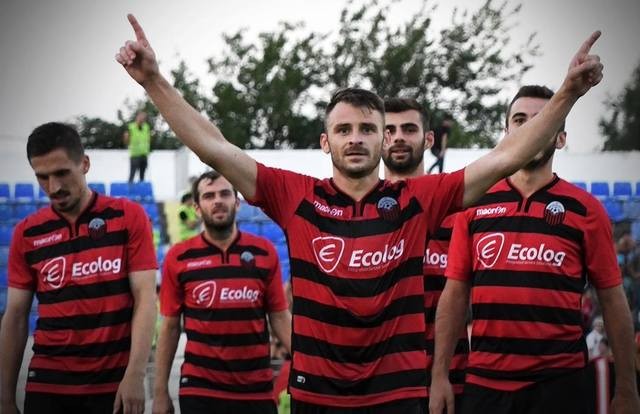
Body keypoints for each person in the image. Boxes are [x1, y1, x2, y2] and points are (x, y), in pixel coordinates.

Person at [116, 14, 603, 412]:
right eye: (344, 130)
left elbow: (506, 157)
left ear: (382, 139)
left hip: (398, 396)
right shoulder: (294, 195)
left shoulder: (418, 200)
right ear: (325, 142)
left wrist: (567, 94)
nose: (355, 138)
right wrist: (154, 82)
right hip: (315, 395)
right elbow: (214, 147)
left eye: (368, 129)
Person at [430, 85, 640, 414]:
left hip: (560, 386)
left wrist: (627, 389)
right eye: (520, 120)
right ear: (506, 133)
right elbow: (454, 294)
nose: (531, 128)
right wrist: (439, 375)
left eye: (543, 120)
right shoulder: (474, 206)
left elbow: (613, 300)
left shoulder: (586, 210)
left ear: (560, 137)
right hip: (486, 385)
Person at [0, 123, 157, 414]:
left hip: (113, 386)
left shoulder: (128, 216)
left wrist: (135, 374)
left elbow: (146, 299)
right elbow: (16, 316)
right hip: (48, 385)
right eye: (42, 177)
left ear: (84, 164)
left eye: (62, 173)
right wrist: (5, 398)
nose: (53, 187)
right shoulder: (27, 233)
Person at [152, 170, 291, 414]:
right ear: (197, 208)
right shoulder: (179, 257)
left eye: (225, 194)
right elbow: (170, 327)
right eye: (209, 196)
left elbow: (279, 318)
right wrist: (160, 391)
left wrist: (312, 368)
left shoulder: (264, 252)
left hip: (255, 389)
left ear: (237, 203)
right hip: (200, 390)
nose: (217, 200)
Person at [382, 97, 468, 406]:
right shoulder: (359, 214)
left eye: (408, 129)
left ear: (429, 139)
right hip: (381, 384)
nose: (398, 137)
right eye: (389, 130)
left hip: (449, 381)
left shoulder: (458, 216)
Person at [123, 111, 152, 183]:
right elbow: (126, 139)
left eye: (144, 117)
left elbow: (148, 138)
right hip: (135, 155)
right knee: (132, 174)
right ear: (137, 117)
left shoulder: (146, 127)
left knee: (142, 175)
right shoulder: (131, 127)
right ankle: (130, 188)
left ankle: (141, 189)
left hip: (144, 154)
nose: (142, 119)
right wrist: (127, 140)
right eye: (141, 117)